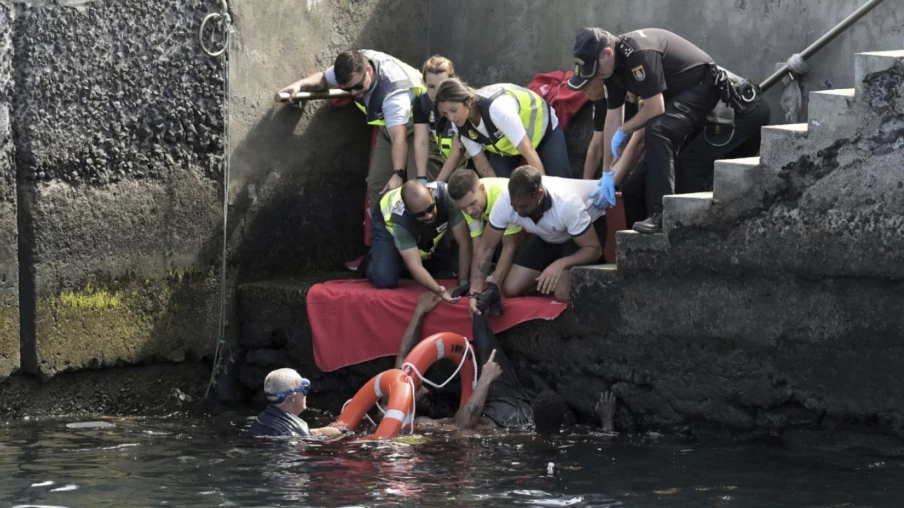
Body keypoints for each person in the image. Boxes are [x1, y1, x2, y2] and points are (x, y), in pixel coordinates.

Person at [567, 27, 724, 234]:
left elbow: (655, 107)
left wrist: (624, 130)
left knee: (657, 129)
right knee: (633, 189)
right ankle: (637, 240)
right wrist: (606, 172)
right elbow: (612, 118)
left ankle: (662, 213)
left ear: (607, 53)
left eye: (596, 70)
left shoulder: (638, 54)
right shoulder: (611, 70)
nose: (597, 76)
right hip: (675, 97)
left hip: (702, 85)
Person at [278, 49, 424, 208]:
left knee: (419, 190)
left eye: (358, 86)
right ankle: (391, 231)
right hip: (390, 129)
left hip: (421, 128)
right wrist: (299, 85)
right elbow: (323, 79)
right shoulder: (352, 65)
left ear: (368, 70)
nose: (354, 92)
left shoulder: (393, 96)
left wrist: (398, 174)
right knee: (378, 188)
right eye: (348, 89)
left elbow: (399, 139)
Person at [468, 165, 606, 308]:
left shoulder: (567, 204)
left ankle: (564, 268)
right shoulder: (505, 202)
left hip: (582, 235)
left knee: (562, 293)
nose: (518, 211)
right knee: (510, 289)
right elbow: (486, 247)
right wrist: (474, 293)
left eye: (524, 206)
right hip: (547, 234)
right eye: (514, 206)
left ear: (539, 195)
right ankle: (547, 273)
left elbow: (594, 249)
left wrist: (560, 264)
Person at [434, 78, 573, 179]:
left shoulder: (498, 110)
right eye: (446, 114)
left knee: (558, 181)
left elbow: (528, 150)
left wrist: (542, 191)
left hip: (542, 129)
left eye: (453, 110)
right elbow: (482, 164)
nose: (451, 118)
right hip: (506, 149)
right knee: (504, 186)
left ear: (468, 101)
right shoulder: (459, 124)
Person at [364, 180, 471, 301]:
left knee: (442, 267)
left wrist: (463, 282)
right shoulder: (400, 218)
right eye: (421, 214)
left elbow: (464, 243)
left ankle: (399, 257)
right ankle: (373, 261)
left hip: (418, 226)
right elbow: (414, 265)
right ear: (409, 212)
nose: (429, 216)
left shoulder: (447, 196)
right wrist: (438, 290)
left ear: (431, 194)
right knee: (385, 278)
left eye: (430, 208)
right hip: (386, 223)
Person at [447, 170, 523, 288]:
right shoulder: (467, 202)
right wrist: (473, 283)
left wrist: (493, 286)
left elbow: (510, 246)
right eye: (463, 208)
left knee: (509, 286)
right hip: (510, 228)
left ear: (482, 188)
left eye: (473, 204)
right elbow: (478, 245)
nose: (469, 212)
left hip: (537, 229)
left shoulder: (504, 197)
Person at [413, 55, 469, 183]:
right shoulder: (422, 102)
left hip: (470, 158)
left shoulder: (462, 102)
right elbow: (421, 141)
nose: (436, 92)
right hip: (442, 153)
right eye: (431, 86)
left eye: (442, 85)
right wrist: (421, 178)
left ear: (453, 81)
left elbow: (457, 153)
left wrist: (436, 186)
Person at [250, 368, 343, 438]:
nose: (305, 394)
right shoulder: (295, 429)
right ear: (293, 397)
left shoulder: (259, 420)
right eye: (305, 389)